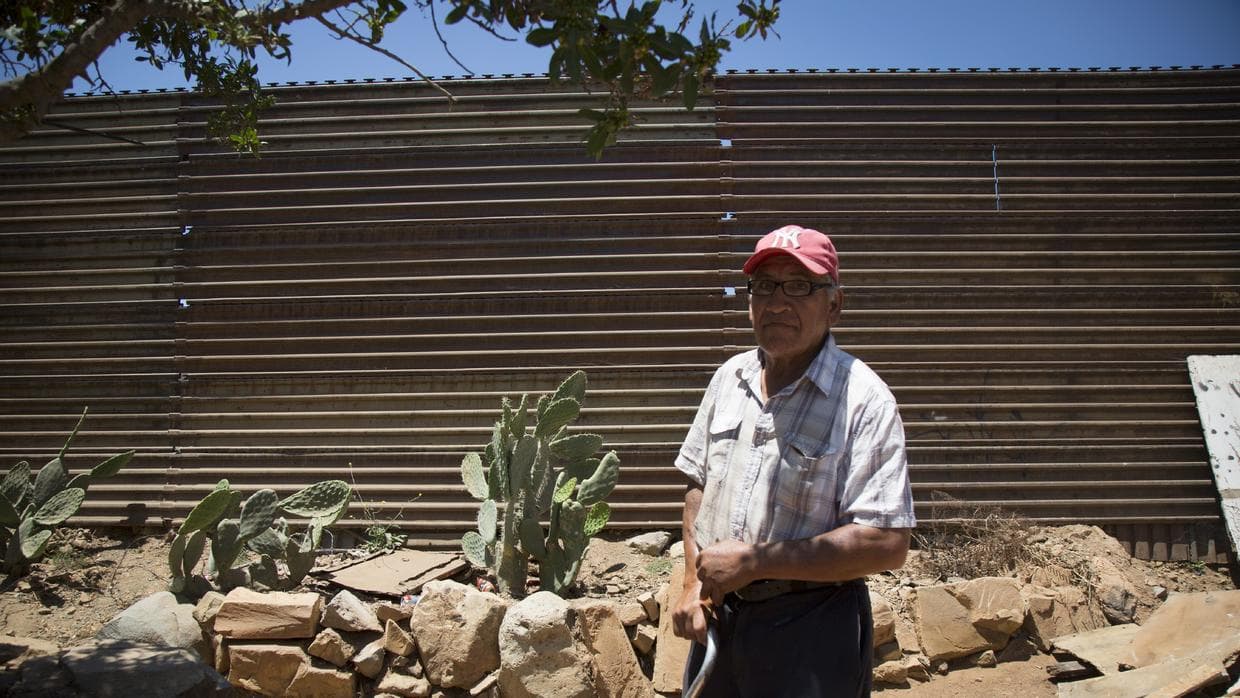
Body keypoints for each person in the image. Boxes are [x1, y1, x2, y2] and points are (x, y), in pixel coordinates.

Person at [671, 224, 916, 697]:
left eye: (799, 286)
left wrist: (756, 563)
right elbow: (698, 484)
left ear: (835, 305)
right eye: (764, 286)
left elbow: (888, 542)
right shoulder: (730, 377)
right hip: (720, 618)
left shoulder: (864, 400)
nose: (777, 302)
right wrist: (689, 583)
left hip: (810, 630)